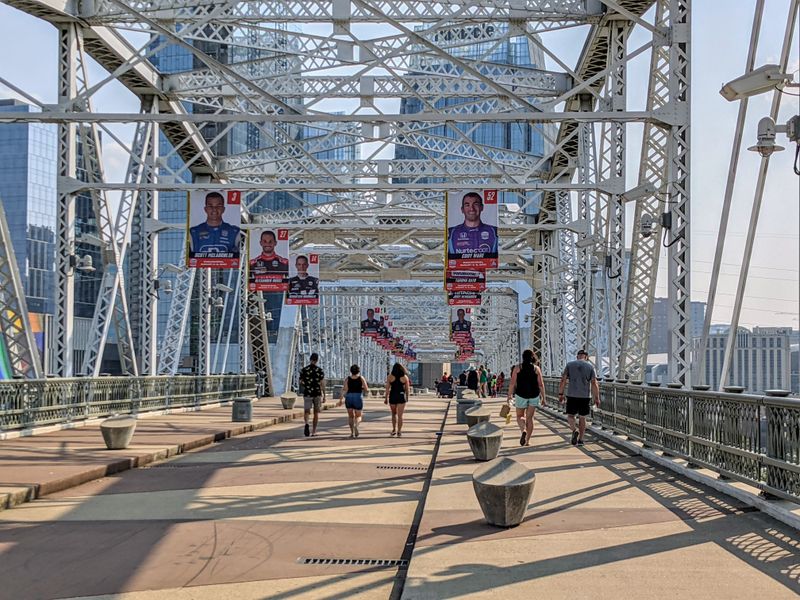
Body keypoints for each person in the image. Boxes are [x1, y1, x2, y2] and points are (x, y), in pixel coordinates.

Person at [558, 349, 600, 447]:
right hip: (585, 396)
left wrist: (561, 393)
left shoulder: (569, 365)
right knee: (582, 418)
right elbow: (594, 383)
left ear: (577, 356)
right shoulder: (590, 367)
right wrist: (596, 398)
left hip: (572, 395)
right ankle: (581, 440)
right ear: (586, 357)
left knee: (570, 416)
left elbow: (563, 379)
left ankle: (574, 430)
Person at [507, 349, 546, 447]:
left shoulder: (517, 368)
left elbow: (512, 383)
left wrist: (509, 395)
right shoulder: (536, 369)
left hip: (521, 395)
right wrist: (544, 398)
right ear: (532, 357)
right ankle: (528, 441)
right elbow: (541, 384)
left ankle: (523, 430)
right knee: (530, 418)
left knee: (520, 416)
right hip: (534, 395)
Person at [447, 191, 498, 259]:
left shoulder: (494, 231)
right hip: (459, 269)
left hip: (487, 269)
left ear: (482, 207)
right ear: (462, 209)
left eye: (475, 204)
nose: (471, 209)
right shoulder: (451, 232)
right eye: (467, 205)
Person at [299, 352, 326, 437]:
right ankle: (314, 431)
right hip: (317, 393)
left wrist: (306, 385)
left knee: (307, 411)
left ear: (310, 359)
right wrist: (324, 395)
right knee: (316, 413)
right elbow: (322, 383)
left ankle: (307, 423)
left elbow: (301, 382)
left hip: (308, 392)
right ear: (317, 360)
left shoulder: (304, 370)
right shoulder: (320, 370)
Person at [343, 364, 369, 438]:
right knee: (359, 415)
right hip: (358, 396)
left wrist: (341, 398)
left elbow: (345, 389)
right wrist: (363, 389)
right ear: (358, 371)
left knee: (350, 416)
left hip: (349, 397)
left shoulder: (347, 379)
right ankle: (356, 425)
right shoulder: (361, 378)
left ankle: (351, 433)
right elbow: (366, 389)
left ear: (351, 371)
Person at [384, 363, 411, 437]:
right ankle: (399, 431)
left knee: (393, 414)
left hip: (392, 396)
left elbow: (387, 388)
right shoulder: (405, 377)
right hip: (401, 396)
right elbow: (407, 389)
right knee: (400, 416)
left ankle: (393, 429)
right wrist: (407, 397)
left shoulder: (390, 377)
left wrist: (386, 398)